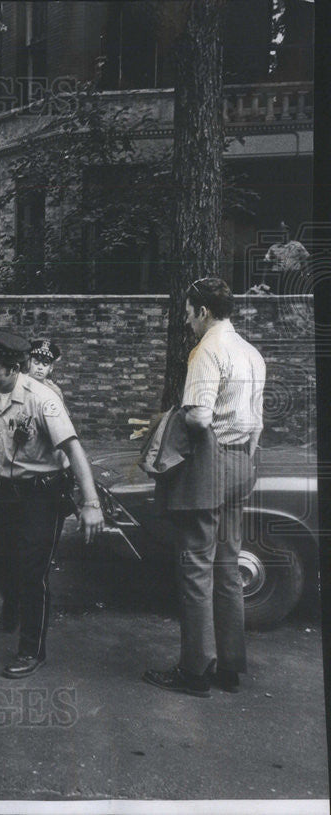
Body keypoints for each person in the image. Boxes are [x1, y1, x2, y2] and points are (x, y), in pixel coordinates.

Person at [144, 277, 265, 697]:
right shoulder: (251, 352)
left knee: (196, 568)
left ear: (204, 311)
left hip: (211, 461)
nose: (186, 320)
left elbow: (197, 417)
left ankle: (194, 672)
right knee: (228, 567)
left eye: (188, 312)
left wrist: (171, 421)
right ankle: (229, 668)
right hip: (241, 464)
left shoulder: (208, 349)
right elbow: (257, 424)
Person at [0, 330, 104, 678]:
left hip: (43, 494)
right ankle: (15, 601)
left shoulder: (42, 399)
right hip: (6, 491)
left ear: (15, 368)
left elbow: (74, 449)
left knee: (33, 571)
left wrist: (91, 503)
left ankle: (31, 649)